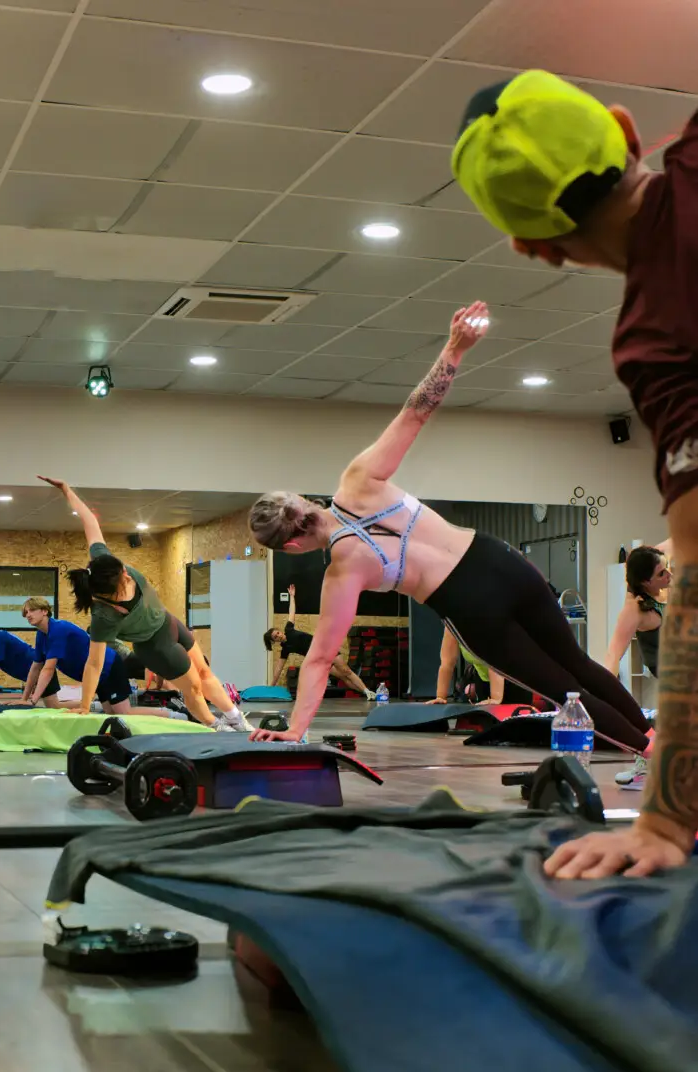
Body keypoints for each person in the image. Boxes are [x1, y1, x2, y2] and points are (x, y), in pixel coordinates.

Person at [451, 69, 698, 878]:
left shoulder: (656, 342)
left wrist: (662, 824)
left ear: (531, 245)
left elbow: (692, 575)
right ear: (628, 130)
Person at [247, 303, 653, 758]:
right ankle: (659, 737)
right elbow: (416, 412)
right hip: (498, 559)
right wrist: (455, 348)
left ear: (294, 544)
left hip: (468, 604)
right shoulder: (359, 478)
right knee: (578, 663)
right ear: (303, 500)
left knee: (564, 690)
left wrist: (296, 729)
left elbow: (320, 660)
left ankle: (654, 756)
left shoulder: (343, 570)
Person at [37, 476, 251, 731]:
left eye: (124, 571)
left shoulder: (103, 563)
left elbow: (89, 520)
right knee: (193, 685)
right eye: (122, 580)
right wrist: (85, 704)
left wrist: (67, 490)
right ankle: (214, 725)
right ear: (107, 595)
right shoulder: (104, 616)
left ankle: (238, 720)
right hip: (153, 646)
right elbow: (94, 664)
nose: (128, 576)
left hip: (168, 622)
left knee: (205, 672)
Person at [19, 597, 178, 720]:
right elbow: (36, 667)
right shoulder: (41, 635)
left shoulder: (58, 629)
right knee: (110, 713)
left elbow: (48, 669)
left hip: (108, 667)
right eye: (25, 613)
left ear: (45, 611)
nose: (28, 615)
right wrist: (24, 698)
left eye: (31, 610)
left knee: (124, 712)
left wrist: (32, 701)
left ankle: (176, 715)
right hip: (97, 675)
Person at [604, 542, 672, 790]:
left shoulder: (661, 590)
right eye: (662, 574)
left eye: (667, 569)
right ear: (645, 582)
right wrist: (608, 694)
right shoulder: (634, 608)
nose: (669, 576)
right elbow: (613, 654)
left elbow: (669, 543)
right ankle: (645, 769)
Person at [264, 584, 376, 700]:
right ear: (275, 641)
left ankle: (367, 691)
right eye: (275, 637)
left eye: (277, 633)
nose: (278, 636)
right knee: (343, 677)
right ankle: (367, 693)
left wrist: (292, 596)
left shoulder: (289, 629)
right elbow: (278, 668)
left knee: (346, 671)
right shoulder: (285, 649)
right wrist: (271, 687)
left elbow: (291, 612)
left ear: (280, 631)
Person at [0, 611, 61, 705]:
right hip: (36, 673)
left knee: (54, 707)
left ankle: (77, 707)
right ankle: (77, 707)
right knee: (54, 707)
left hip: (40, 670)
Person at [428, 626, 506, 706]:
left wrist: (495, 698)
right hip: (483, 679)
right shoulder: (452, 624)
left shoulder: (489, 619)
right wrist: (441, 697)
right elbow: (447, 663)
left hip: (512, 679)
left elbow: (495, 659)